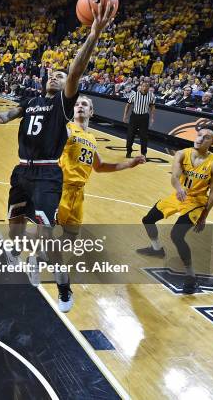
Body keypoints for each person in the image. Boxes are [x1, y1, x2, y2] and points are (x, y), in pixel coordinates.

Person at [0, 2, 115, 306]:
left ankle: (54, 277)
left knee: (44, 229)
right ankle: (16, 252)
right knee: (15, 222)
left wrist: (92, 35)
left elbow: (78, 69)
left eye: (61, 75)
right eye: (52, 74)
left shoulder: (63, 104)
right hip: (22, 170)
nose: (56, 77)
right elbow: (7, 116)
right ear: (44, 80)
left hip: (48, 172)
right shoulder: (29, 101)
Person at [56, 96, 146, 311]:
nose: (79, 107)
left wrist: (129, 164)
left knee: (67, 242)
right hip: (60, 190)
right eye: (77, 104)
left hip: (78, 195)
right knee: (52, 241)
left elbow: (100, 166)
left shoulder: (91, 138)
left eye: (84, 105)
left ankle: (41, 260)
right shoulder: (66, 129)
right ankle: (63, 287)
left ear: (91, 112)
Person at [136, 125, 213, 293]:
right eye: (199, 135)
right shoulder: (182, 153)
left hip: (197, 202)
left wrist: (204, 215)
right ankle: (157, 249)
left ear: (212, 142)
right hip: (179, 196)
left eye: (206, 137)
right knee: (147, 219)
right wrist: (179, 188)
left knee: (176, 235)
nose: (200, 138)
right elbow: (175, 176)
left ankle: (191, 276)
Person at [123, 81, 156, 157]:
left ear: (149, 88)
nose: (145, 88)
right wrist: (125, 116)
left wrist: (152, 117)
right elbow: (128, 105)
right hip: (134, 116)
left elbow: (152, 107)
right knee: (130, 135)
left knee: (144, 137)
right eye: (143, 86)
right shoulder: (134, 94)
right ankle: (129, 151)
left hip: (144, 117)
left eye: (146, 86)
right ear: (141, 86)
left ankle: (143, 154)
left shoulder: (151, 95)